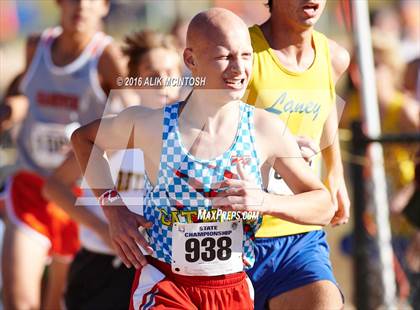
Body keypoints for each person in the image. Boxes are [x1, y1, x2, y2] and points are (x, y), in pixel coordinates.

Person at [71, 8, 335, 309]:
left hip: (231, 288)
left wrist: (264, 201)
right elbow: (84, 139)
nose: (238, 69)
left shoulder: (264, 128)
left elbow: (324, 205)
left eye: (246, 56)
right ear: (191, 60)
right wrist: (114, 211)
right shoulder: (153, 125)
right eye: (225, 57)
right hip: (166, 284)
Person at [43, 29, 183, 310]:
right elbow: (53, 187)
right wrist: (106, 227)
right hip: (103, 268)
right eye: (152, 75)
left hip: (162, 268)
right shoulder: (113, 130)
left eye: (170, 72)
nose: (163, 82)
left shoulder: (190, 135)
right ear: (135, 81)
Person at [0, 0, 126, 309]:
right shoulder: (36, 46)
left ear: (105, 6)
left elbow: (134, 110)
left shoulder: (108, 56)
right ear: (59, 3)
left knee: (57, 304)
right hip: (31, 185)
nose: (81, 6)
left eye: (91, 0)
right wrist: (11, 109)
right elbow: (18, 91)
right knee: (20, 302)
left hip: (80, 197)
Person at [243, 0, 350, 309]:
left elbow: (326, 103)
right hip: (236, 232)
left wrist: (335, 173)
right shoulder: (242, 53)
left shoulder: (334, 56)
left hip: (299, 233)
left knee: (325, 302)